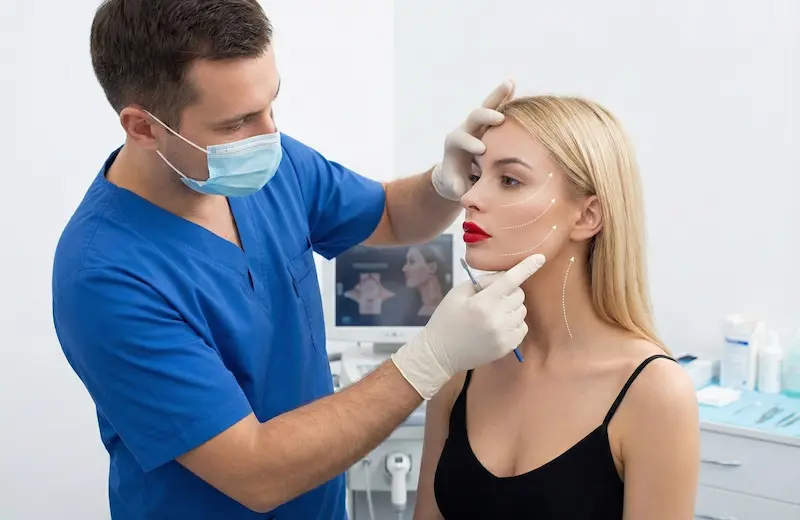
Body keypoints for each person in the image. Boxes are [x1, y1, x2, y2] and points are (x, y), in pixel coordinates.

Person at [50, 1, 548, 519]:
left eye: (271, 104)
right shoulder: (105, 278)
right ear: (143, 127)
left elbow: (391, 217)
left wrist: (443, 184)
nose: (269, 135)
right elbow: (255, 473)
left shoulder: (270, 166)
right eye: (237, 122)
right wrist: (430, 359)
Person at [413, 95, 700, 519]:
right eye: (475, 176)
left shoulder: (654, 393)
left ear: (587, 216)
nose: (470, 197)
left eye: (509, 180)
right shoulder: (461, 362)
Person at [402, 245, 447, 316]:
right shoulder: (416, 308)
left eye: (412, 262)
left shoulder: (441, 308)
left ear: (432, 267)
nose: (404, 269)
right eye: (406, 262)